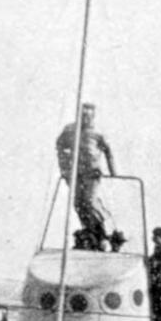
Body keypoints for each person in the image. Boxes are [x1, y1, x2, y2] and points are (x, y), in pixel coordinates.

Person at [55, 103, 117, 250]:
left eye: (89, 116)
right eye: (83, 116)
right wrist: (64, 167)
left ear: (93, 117)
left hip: (92, 173)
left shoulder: (98, 133)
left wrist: (113, 171)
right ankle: (91, 232)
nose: (85, 119)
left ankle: (105, 230)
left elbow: (108, 151)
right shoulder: (70, 130)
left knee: (90, 201)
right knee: (78, 203)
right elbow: (59, 146)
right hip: (75, 173)